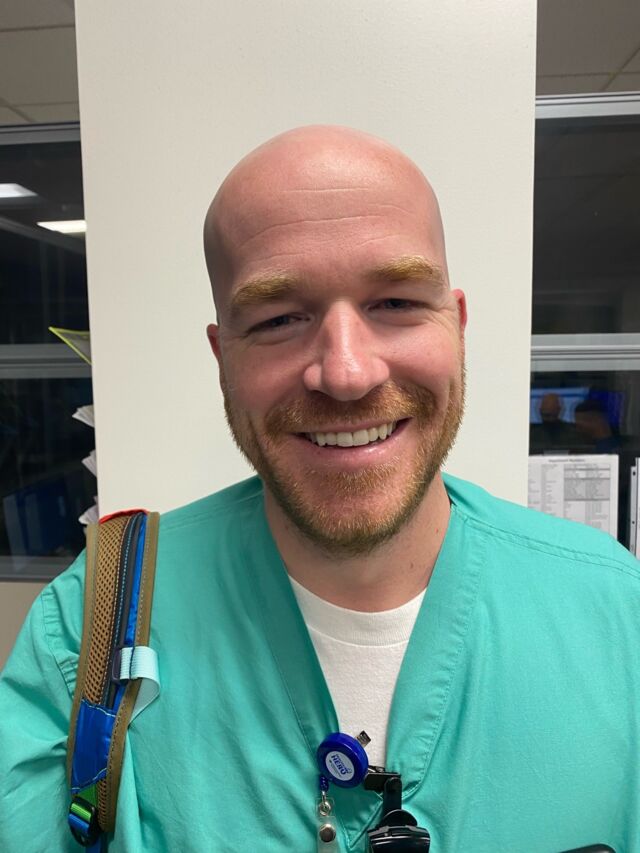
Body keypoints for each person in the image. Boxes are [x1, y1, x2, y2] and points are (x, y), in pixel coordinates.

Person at [1, 126, 639, 853]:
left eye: (395, 302)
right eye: (279, 318)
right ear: (223, 357)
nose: (346, 373)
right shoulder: (91, 625)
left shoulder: (617, 618)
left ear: (457, 327)